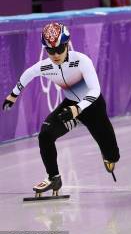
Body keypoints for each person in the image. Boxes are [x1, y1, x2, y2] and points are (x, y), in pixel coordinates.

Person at [3, 23, 120, 197]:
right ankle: (54, 178)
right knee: (45, 134)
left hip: (93, 106)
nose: (55, 55)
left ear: (67, 44)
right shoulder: (45, 66)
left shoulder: (82, 61)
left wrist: (77, 109)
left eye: (59, 49)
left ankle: (109, 155)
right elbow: (27, 74)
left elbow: (95, 91)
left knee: (112, 155)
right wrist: (13, 95)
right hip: (70, 105)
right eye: (50, 51)